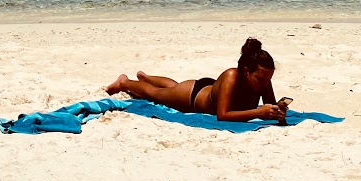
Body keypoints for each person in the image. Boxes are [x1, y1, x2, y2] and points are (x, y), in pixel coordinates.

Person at [105, 38, 288, 122]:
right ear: (247, 72)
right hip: (192, 97)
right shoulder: (232, 76)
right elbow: (222, 115)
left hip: (208, 88)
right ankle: (125, 82)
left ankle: (146, 77)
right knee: (156, 94)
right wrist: (258, 112)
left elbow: (268, 107)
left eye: (268, 78)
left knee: (172, 86)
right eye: (261, 78)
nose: (265, 83)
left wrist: (277, 111)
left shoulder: (263, 79)